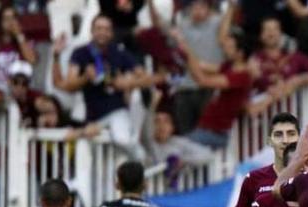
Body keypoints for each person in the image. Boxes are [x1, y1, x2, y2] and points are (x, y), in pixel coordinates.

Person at [52, 16, 164, 160]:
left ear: (111, 33)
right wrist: (85, 77)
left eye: (106, 29)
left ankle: (144, 163)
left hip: (116, 110)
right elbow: (68, 85)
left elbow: (146, 78)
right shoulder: (81, 53)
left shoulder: (119, 52)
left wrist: (128, 83)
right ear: (92, 31)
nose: (102, 32)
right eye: (98, 28)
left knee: (122, 139)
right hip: (92, 116)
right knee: (95, 158)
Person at [148, 0, 225, 135]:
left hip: (209, 87)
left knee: (207, 131)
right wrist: (150, 3)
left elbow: (229, 21)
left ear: (209, 9)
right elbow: (159, 24)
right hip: (184, 88)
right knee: (186, 133)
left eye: (201, 6)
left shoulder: (217, 24)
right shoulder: (182, 26)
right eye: (194, 6)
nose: (197, 10)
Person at [172, 30, 252, 150]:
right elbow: (199, 66)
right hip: (205, 130)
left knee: (176, 147)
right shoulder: (228, 67)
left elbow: (202, 80)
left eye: (229, 47)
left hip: (216, 134)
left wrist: (187, 50)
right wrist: (184, 50)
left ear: (240, 53)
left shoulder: (242, 76)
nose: (225, 48)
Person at [247, 16, 308, 115]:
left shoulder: (293, 56)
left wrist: (300, 80)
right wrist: (252, 77)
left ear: (281, 33)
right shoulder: (254, 60)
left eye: (275, 29)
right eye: (267, 29)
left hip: (289, 119)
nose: (271, 33)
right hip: (261, 121)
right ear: (261, 35)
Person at [0, 5, 37, 93]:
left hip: (23, 88)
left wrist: (19, 36)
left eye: (13, 18)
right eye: (6, 18)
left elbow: (32, 60)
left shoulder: (25, 42)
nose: (10, 22)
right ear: (0, 22)